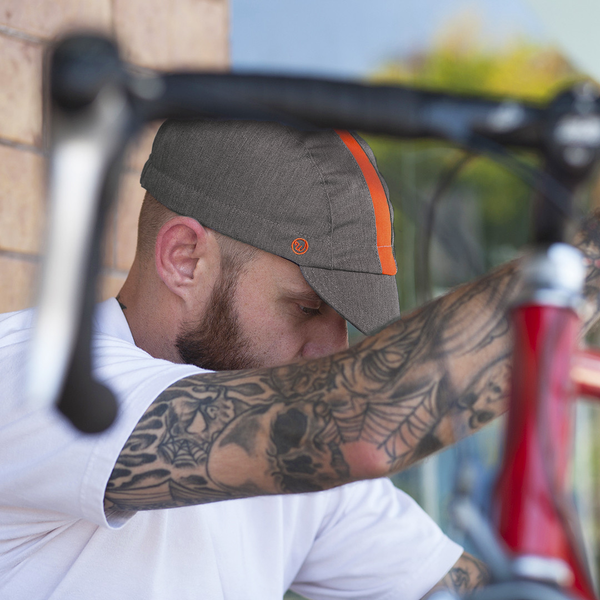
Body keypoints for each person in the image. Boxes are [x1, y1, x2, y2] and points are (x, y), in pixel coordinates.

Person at [1, 119, 598, 599]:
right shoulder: (38, 374)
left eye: (344, 320)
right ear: (184, 258)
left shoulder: (302, 472)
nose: (332, 350)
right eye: (307, 307)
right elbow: (365, 422)